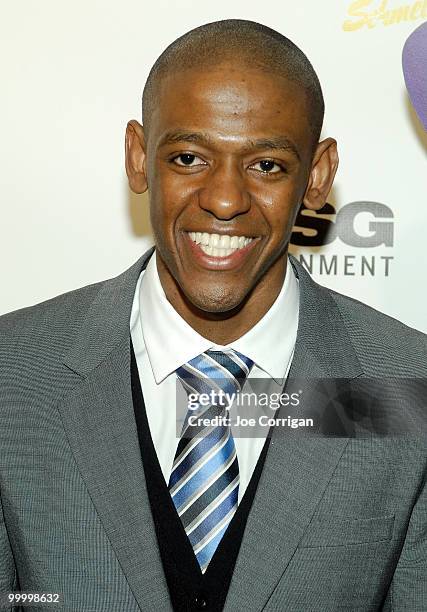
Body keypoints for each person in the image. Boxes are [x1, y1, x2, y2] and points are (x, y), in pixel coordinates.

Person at [0, 19, 426, 612]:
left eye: (268, 166)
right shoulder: (14, 371)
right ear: (137, 157)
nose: (225, 199)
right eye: (189, 157)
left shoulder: (405, 384)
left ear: (318, 176)